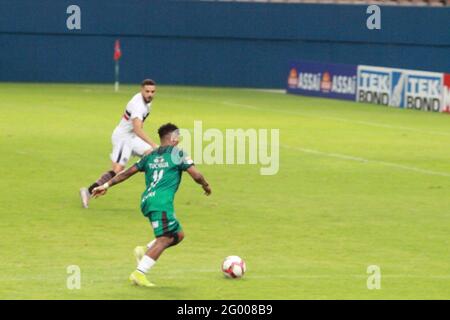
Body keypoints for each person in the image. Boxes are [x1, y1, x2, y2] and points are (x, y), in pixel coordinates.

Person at [91, 123, 211, 287]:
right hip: (160, 203)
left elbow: (127, 173)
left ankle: (144, 249)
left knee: (178, 235)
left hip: (147, 200)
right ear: (174, 139)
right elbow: (196, 175)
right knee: (165, 238)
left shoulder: (149, 156)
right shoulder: (178, 154)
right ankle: (139, 273)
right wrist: (205, 185)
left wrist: (105, 186)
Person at [80, 79, 159, 208]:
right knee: (117, 170)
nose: (150, 94)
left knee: (152, 156)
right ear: (141, 90)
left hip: (132, 137)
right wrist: (153, 144)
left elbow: (138, 128)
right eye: (147, 91)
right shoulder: (138, 105)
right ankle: (88, 192)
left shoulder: (147, 103)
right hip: (123, 138)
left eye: (152, 91)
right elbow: (138, 128)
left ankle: (153, 195)